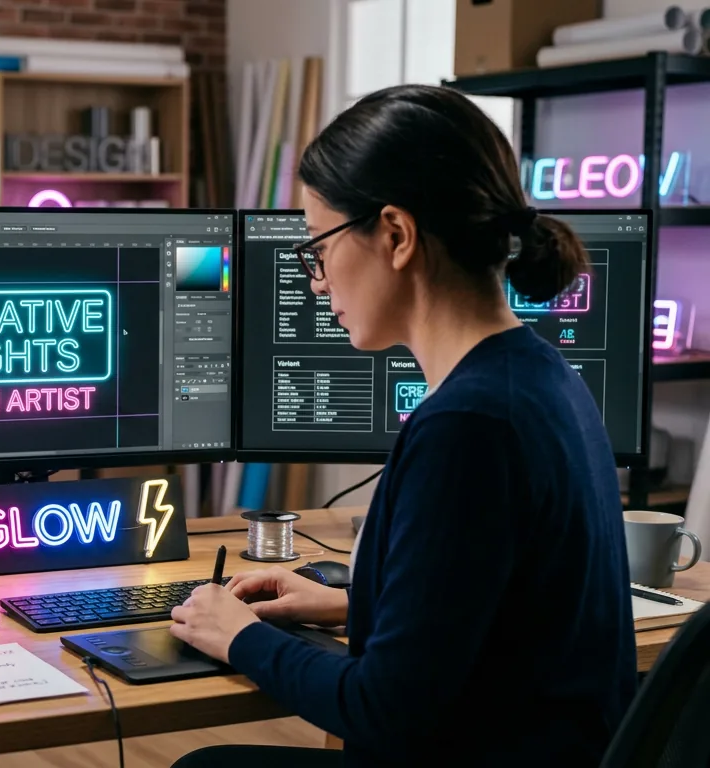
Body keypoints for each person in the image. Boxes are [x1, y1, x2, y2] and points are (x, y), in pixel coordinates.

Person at [170, 84, 636, 767]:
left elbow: (384, 711)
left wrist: (237, 634)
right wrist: (351, 605)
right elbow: (504, 616)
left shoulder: (467, 427)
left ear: (395, 234)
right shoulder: (541, 376)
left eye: (319, 249)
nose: (316, 282)